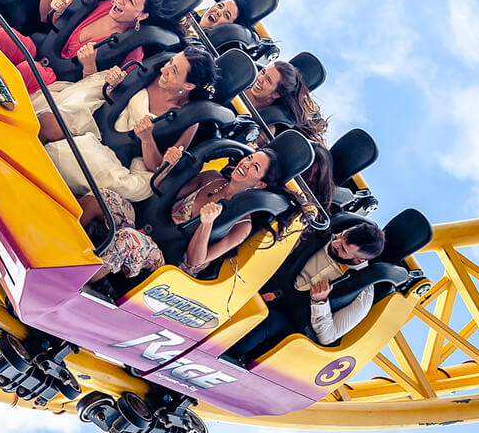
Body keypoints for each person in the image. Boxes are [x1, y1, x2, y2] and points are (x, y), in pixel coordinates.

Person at [36, 46, 218, 202]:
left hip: (122, 157)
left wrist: (147, 140)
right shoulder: (153, 73)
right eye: (170, 62)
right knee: (48, 121)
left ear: (188, 86)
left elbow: (157, 169)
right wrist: (114, 83)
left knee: (68, 153)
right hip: (100, 120)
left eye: (174, 71)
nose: (165, 70)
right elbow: (109, 95)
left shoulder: (188, 121)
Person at [80, 147, 284, 280]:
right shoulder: (211, 178)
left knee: (128, 240)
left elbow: (195, 261)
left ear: (259, 184)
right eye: (249, 158)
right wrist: (168, 166)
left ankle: (77, 282)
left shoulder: (242, 225)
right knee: (102, 197)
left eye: (254, 167)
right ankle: (59, 251)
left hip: (169, 262)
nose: (245, 164)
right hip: (154, 228)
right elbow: (164, 195)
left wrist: (207, 224)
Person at [227, 218, 385, 363]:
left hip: (291, 321)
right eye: (340, 237)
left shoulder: (361, 292)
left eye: (343, 249)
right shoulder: (320, 234)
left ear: (359, 260)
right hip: (266, 287)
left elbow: (328, 337)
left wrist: (320, 302)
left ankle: (224, 357)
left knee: (267, 322)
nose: (335, 244)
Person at [0, 0, 172, 93]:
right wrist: (59, 9)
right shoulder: (105, 3)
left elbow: (99, 94)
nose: (120, 0)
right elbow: (58, 24)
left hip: (60, 80)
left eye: (130, 1)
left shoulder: (132, 50)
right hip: (41, 49)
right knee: (0, 35)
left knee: (26, 71)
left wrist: (89, 66)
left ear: (142, 15)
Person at [244, 61, 328, 144]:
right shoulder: (245, 78)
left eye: (268, 81)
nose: (260, 79)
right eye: (263, 72)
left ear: (276, 94)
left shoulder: (268, 124)